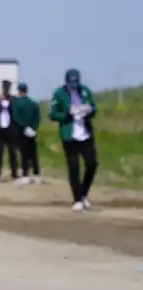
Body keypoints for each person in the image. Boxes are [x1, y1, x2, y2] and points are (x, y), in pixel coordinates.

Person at [49, 69, 98, 211]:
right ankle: (77, 199)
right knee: (74, 166)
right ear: (66, 82)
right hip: (69, 136)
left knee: (92, 164)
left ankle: (83, 193)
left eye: (76, 82)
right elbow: (53, 114)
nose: (74, 85)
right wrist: (67, 113)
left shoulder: (85, 91)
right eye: (71, 82)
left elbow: (94, 108)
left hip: (85, 134)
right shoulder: (59, 94)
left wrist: (89, 110)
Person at [0, 80, 19, 182]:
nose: (5, 90)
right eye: (4, 88)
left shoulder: (13, 100)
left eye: (7, 88)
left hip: (10, 129)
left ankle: (14, 174)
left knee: (12, 153)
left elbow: (17, 109)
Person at [12, 82, 41, 185]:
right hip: (32, 132)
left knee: (24, 154)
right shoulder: (33, 103)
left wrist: (24, 127)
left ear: (19, 91)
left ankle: (25, 175)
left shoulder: (17, 103)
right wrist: (33, 127)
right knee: (33, 153)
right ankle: (37, 175)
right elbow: (37, 117)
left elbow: (15, 117)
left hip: (21, 132)